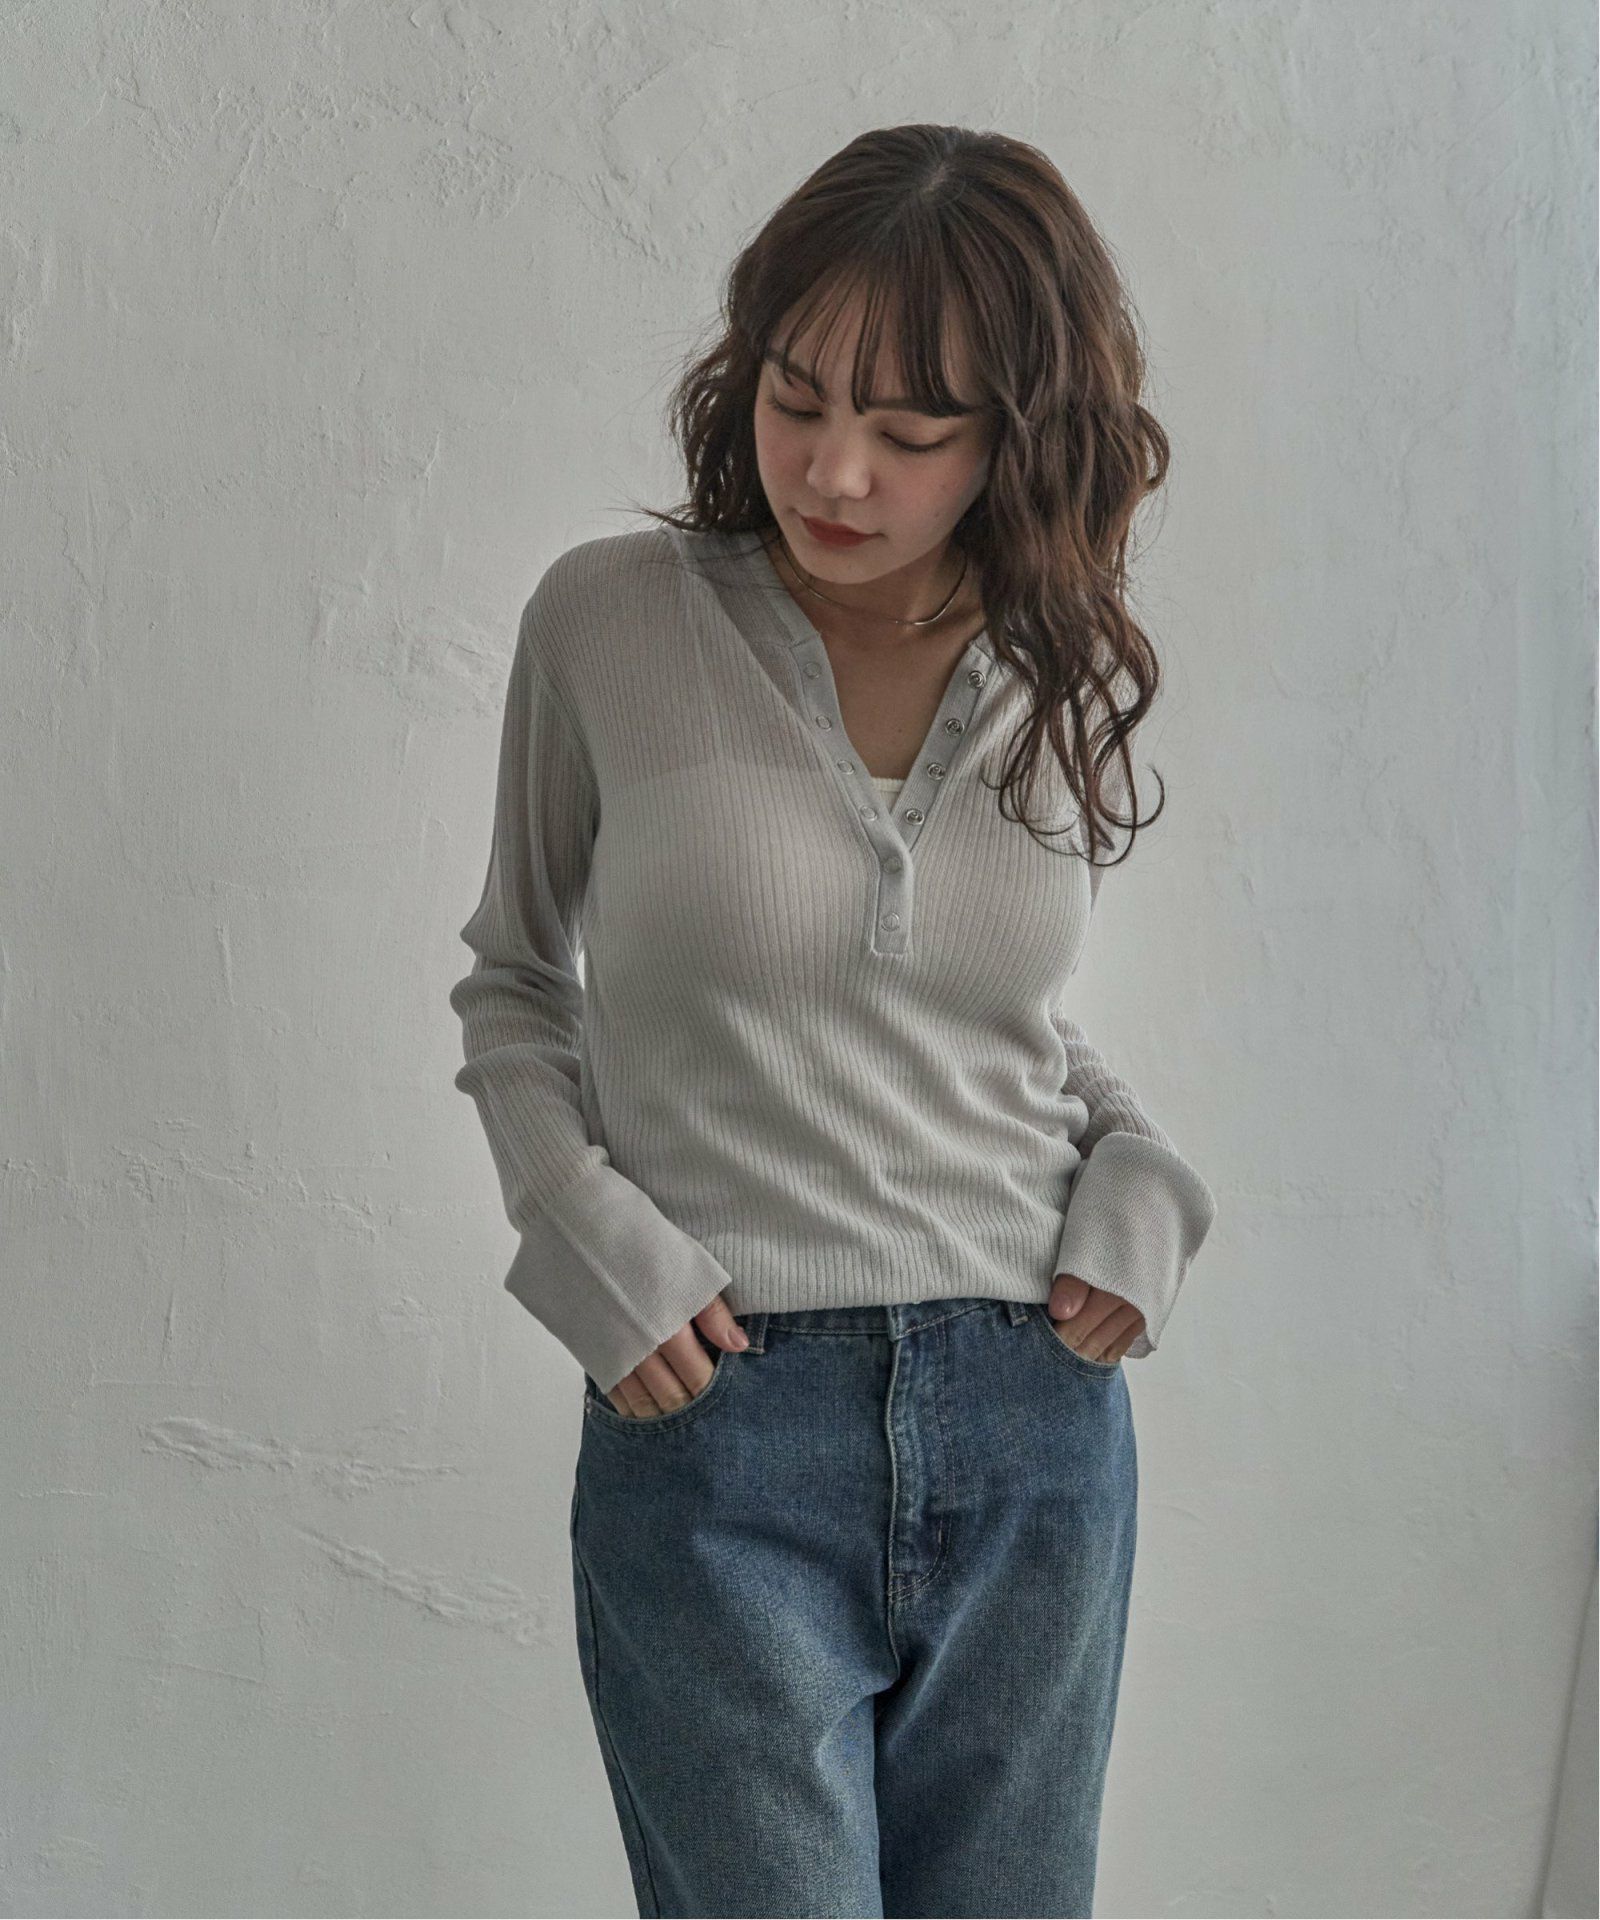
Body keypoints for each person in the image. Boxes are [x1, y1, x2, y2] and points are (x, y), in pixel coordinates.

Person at [448, 123, 1218, 1920]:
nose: (834, 469)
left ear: (1018, 437)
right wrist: (584, 1235)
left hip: (1036, 1419)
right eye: (798, 398)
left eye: (910, 431)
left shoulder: (1058, 664)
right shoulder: (611, 621)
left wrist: (1142, 1174)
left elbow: (999, 1028)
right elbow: (515, 975)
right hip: (723, 1419)